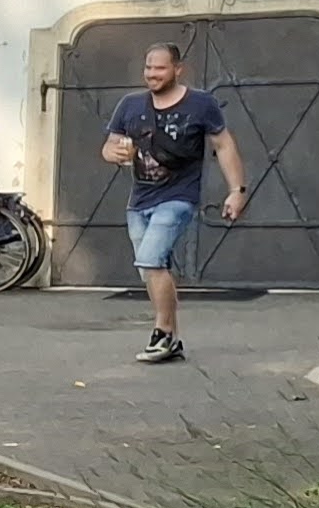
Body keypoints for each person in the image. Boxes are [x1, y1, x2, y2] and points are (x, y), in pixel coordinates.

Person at [100, 42, 246, 365]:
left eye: (160, 68)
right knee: (152, 269)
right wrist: (114, 153)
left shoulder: (201, 104)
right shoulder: (130, 105)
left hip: (179, 197)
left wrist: (236, 190)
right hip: (139, 201)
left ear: (178, 69)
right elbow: (108, 146)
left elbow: (224, 145)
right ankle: (173, 340)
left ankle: (163, 332)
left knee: (150, 260)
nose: (152, 74)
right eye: (148, 68)